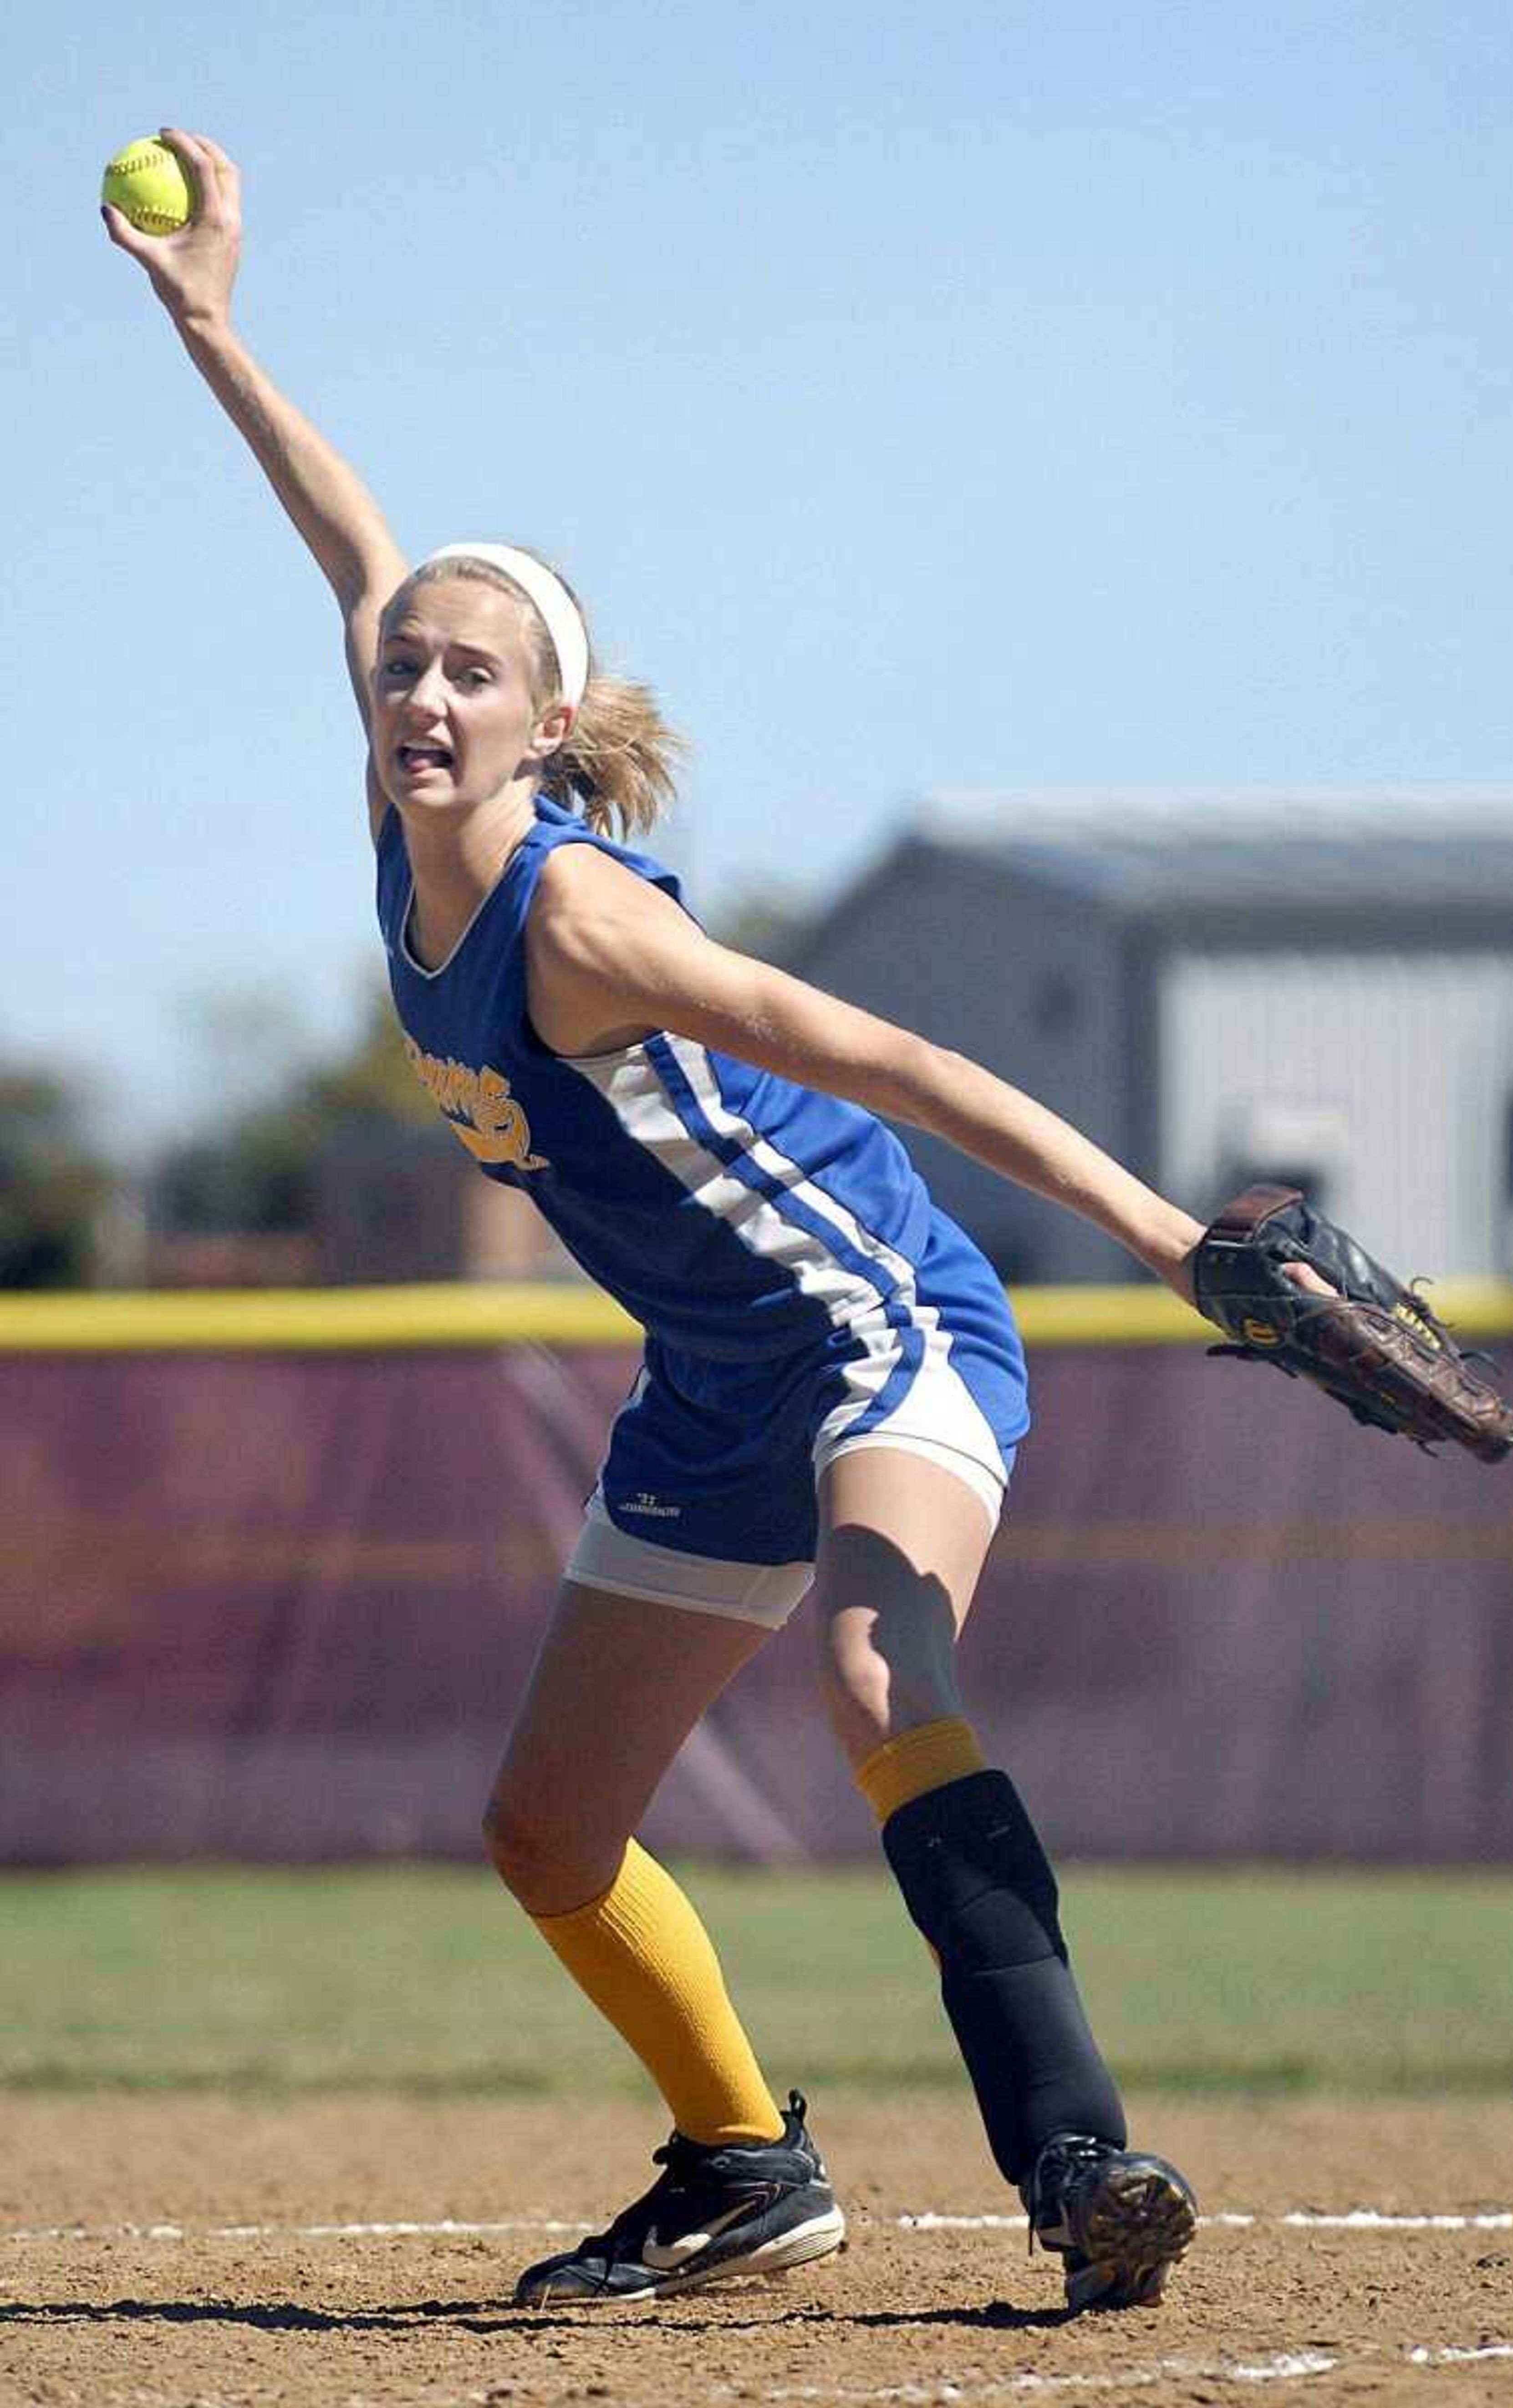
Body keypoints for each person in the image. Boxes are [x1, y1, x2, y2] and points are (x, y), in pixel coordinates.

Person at [105, 130, 1270, 2315]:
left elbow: (893, 1065)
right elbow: (350, 539)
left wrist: (1162, 1232)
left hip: (875, 1321)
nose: (426, 695)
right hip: (713, 1379)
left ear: (551, 726)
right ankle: (747, 2166)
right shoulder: (405, 804)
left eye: (472, 677)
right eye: (404, 672)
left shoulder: (581, 924)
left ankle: (1082, 2155)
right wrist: (207, 322)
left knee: (868, 1659)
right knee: (546, 1834)